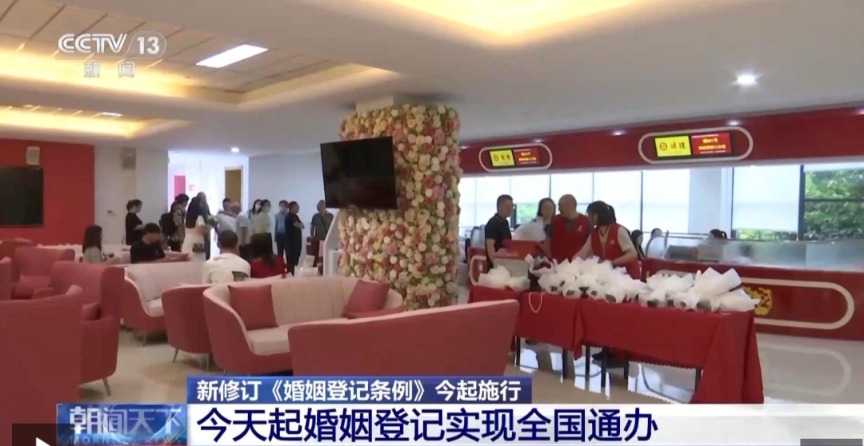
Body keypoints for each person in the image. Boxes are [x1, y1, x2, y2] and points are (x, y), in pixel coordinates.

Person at [576, 201, 640, 278]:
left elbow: (633, 254)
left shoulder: (619, 230)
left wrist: (612, 262)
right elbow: (582, 254)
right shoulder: (594, 234)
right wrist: (570, 266)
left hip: (628, 276)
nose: (588, 217)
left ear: (599, 214)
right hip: (613, 275)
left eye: (590, 214)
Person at [547, 194, 592, 263]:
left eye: (560, 206)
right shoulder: (554, 220)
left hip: (577, 263)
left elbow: (590, 245)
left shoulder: (586, 222)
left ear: (570, 205)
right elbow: (548, 240)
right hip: (556, 263)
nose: (558, 209)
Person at [484, 194, 513, 267]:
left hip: (505, 262)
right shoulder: (493, 223)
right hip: (497, 265)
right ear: (500, 207)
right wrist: (496, 265)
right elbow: (490, 247)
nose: (510, 209)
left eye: (511, 206)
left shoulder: (505, 222)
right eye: (507, 206)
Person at [182, 194, 211, 261]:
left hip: (187, 240)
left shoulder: (187, 218)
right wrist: (210, 226)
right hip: (197, 242)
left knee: (188, 259)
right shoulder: (199, 218)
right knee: (198, 260)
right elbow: (203, 230)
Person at [285, 201, 304, 274]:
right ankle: (290, 275)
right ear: (292, 208)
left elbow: (302, 226)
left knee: (295, 261)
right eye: (297, 206)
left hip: (297, 242)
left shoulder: (296, 216)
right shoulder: (289, 216)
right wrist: (299, 224)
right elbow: (298, 225)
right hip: (291, 243)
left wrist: (299, 224)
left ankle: (293, 274)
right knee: (291, 262)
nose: (298, 208)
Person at [274, 200, 290, 265]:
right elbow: (276, 226)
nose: (282, 207)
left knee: (288, 252)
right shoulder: (276, 215)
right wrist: (275, 236)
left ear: (287, 207)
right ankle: (280, 265)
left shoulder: (289, 215)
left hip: (287, 236)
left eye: (284, 206)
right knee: (280, 252)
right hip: (279, 235)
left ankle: (289, 266)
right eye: (281, 206)